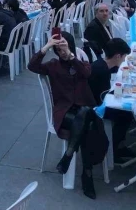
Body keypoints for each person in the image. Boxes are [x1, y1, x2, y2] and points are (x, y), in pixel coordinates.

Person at [28, 31, 104, 199]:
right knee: (87, 120)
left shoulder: (79, 63)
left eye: (63, 47)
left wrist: (70, 55)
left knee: (85, 115)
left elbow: (87, 74)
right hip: (65, 113)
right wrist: (46, 47)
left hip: (84, 109)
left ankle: (69, 156)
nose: (60, 51)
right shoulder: (53, 65)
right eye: (58, 49)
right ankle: (87, 174)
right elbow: (32, 66)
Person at [88, 38, 134, 162]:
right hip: (94, 109)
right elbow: (104, 97)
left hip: (94, 101)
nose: (125, 60)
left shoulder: (101, 64)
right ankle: (113, 149)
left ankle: (119, 145)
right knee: (126, 115)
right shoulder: (102, 71)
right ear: (118, 56)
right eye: (124, 57)